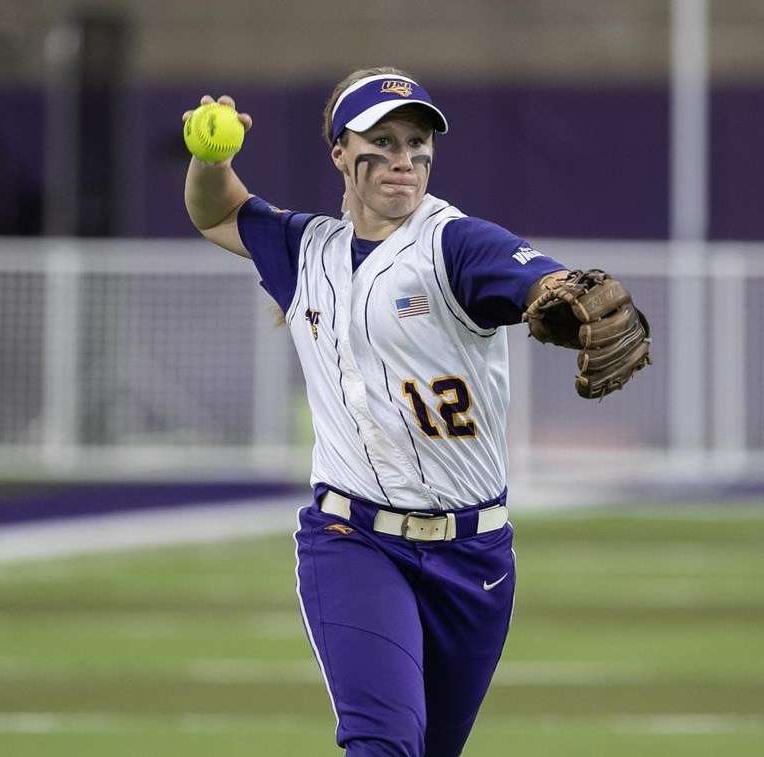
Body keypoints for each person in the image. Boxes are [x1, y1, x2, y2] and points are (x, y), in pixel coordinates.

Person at [183, 66, 648, 757]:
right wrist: (209, 158)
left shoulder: (451, 243)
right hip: (354, 541)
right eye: (384, 140)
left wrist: (555, 290)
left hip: (473, 557)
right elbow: (216, 211)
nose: (404, 157)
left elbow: (535, 278)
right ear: (340, 150)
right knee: (384, 743)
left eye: (417, 142)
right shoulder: (306, 250)